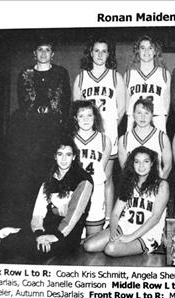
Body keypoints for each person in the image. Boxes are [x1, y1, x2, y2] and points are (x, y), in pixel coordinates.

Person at [0, 38, 71, 230]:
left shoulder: (61, 73)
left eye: (47, 50)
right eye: (40, 50)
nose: (43, 53)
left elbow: (65, 103)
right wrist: (39, 111)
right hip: (30, 134)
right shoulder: (25, 73)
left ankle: (51, 220)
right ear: (35, 53)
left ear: (52, 54)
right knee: (29, 176)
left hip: (53, 133)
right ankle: (27, 221)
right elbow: (24, 102)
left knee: (51, 174)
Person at [0, 136, 93, 261]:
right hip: (51, 224)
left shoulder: (84, 180)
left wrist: (55, 236)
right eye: (60, 154)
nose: (64, 159)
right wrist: (39, 234)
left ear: (74, 157)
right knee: (34, 244)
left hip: (70, 231)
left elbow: (73, 215)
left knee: (39, 250)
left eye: (68, 155)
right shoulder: (49, 178)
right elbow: (39, 211)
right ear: (55, 156)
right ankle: (20, 233)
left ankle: (19, 233)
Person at [73, 37, 125, 221]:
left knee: (106, 177)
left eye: (104, 51)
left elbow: (121, 108)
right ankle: (79, 214)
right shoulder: (81, 78)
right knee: (82, 176)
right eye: (96, 50)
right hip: (85, 134)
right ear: (90, 53)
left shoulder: (115, 77)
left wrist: (107, 129)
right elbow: (76, 109)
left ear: (109, 54)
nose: (100, 54)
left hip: (108, 133)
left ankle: (108, 218)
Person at [83, 146, 169, 256]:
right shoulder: (130, 182)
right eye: (137, 162)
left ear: (152, 163)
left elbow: (155, 218)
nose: (141, 166)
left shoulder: (161, 185)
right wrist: (113, 233)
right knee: (89, 246)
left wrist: (129, 238)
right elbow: (115, 213)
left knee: (111, 249)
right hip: (125, 227)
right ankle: (95, 238)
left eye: (146, 161)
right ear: (132, 164)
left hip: (147, 233)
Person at [72, 100, 111, 236]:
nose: (86, 119)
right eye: (81, 116)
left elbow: (102, 171)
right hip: (74, 191)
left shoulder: (104, 140)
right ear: (75, 118)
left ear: (95, 117)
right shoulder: (69, 139)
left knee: (92, 243)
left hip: (95, 193)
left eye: (89, 115)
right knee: (73, 243)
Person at [124, 35, 170, 133]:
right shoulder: (129, 75)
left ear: (155, 52)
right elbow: (127, 106)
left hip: (157, 120)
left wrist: (161, 123)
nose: (146, 52)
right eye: (142, 48)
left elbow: (166, 104)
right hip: (134, 122)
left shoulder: (164, 74)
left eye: (150, 48)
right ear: (137, 51)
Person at [118, 98, 172, 179]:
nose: (142, 117)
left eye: (147, 113)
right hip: (133, 186)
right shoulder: (124, 139)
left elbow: (168, 166)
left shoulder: (162, 137)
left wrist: (160, 184)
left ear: (152, 115)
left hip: (155, 185)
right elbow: (124, 168)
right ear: (133, 115)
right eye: (139, 113)